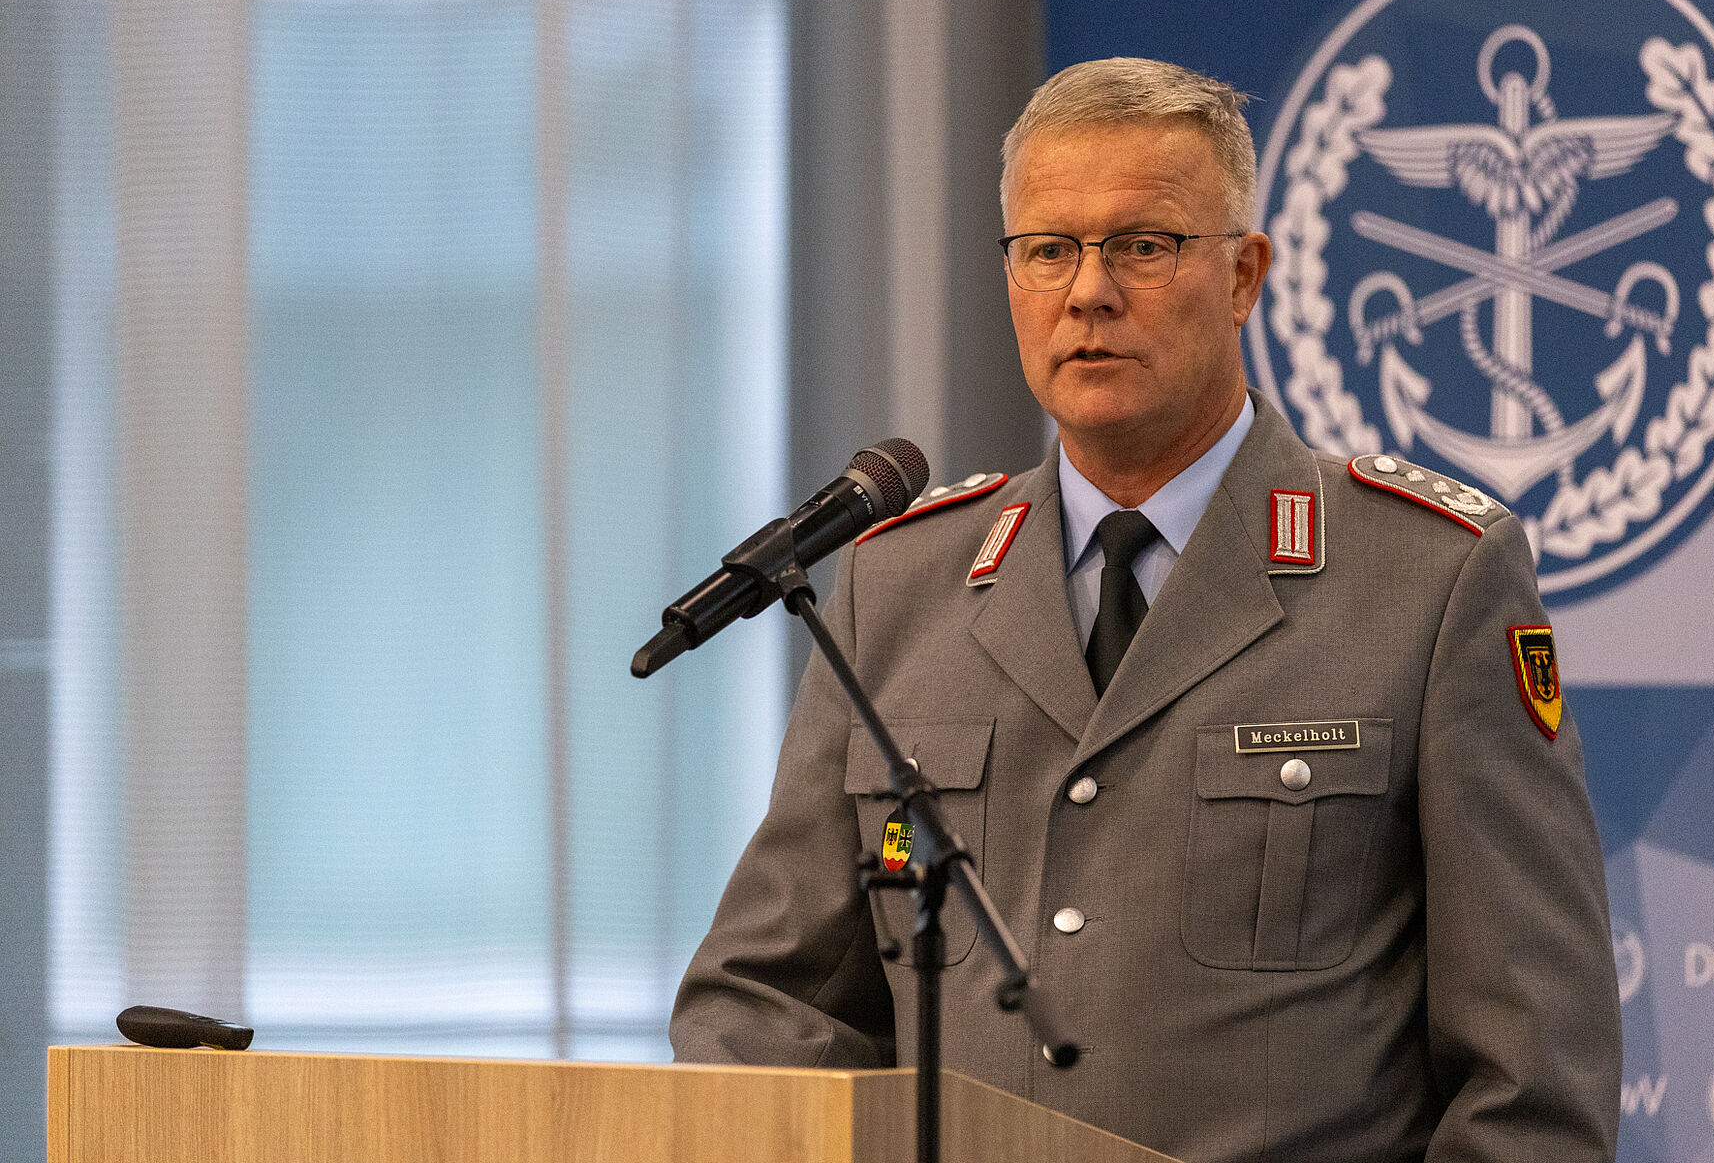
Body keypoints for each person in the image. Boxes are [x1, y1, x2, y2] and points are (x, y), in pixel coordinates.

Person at [670, 57, 1620, 1163]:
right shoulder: (899, 584)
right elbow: (766, 1003)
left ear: (1244, 276)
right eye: (1049, 250)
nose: (1089, 291)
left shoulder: (1429, 581)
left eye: (1143, 246)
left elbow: (1533, 1079)